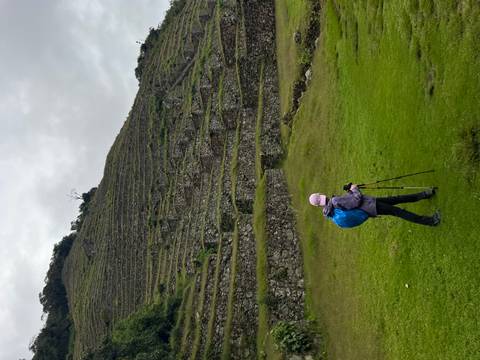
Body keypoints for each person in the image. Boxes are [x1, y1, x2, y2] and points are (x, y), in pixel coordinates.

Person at [308, 184, 441, 228]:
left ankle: (424, 194)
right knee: (399, 211)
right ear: (321, 195)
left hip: (370, 208)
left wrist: (349, 191)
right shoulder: (335, 201)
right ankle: (431, 221)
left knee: (397, 199)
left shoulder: (331, 211)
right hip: (371, 205)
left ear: (319, 206)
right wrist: (354, 189)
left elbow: (350, 205)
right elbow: (356, 201)